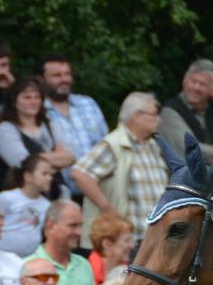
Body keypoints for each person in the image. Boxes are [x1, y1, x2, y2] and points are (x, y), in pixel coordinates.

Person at [71, 93, 175, 239]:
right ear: (137, 116)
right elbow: (80, 174)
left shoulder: (152, 145)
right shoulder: (114, 144)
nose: (159, 120)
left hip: (156, 238)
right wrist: (108, 210)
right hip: (128, 240)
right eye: (154, 115)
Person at [158, 59, 213, 158]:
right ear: (184, 79)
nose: (196, 87)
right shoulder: (170, 110)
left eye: (203, 84)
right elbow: (189, 149)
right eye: (193, 81)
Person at [0, 155, 55, 257]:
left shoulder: (47, 205)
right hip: (1, 255)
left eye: (51, 174)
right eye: (44, 174)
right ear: (28, 176)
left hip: (30, 257)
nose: (50, 178)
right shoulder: (6, 197)